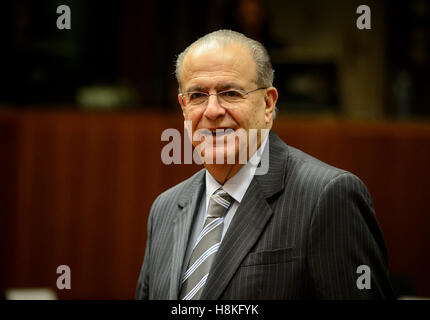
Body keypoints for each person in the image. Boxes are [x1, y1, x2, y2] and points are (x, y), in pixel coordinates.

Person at [135, 29, 394, 300]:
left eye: (230, 93)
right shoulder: (165, 208)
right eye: (197, 95)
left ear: (268, 104)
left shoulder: (327, 196)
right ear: (184, 107)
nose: (212, 111)